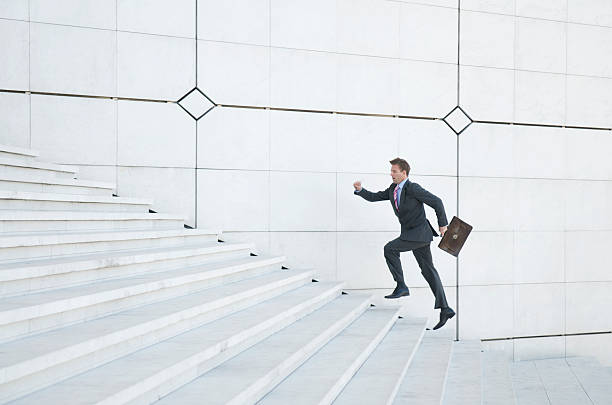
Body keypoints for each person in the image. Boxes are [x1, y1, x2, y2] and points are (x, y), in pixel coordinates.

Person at [353, 158, 455, 330]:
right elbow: (374, 197)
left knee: (390, 249)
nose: (391, 174)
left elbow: (437, 202)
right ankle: (445, 309)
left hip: (419, 234)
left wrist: (443, 225)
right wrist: (360, 190)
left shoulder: (413, 188)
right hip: (414, 235)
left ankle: (401, 286)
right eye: (391, 171)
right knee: (428, 270)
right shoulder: (393, 189)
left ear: (404, 173)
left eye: (394, 171)